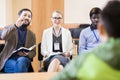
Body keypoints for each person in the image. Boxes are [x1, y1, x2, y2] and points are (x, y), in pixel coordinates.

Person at [52, 0, 120, 80]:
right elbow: (81, 49)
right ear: (90, 18)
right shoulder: (84, 32)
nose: (96, 20)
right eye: (94, 17)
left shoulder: (83, 61)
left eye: (98, 18)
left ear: (101, 29)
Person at [0, 8, 36, 73]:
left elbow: (33, 52)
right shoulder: (10, 28)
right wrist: (15, 26)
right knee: (19, 67)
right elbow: (3, 36)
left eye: (29, 16)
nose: (27, 17)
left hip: (24, 59)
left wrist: (27, 54)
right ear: (19, 17)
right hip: (10, 59)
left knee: (21, 62)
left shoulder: (32, 35)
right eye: (24, 15)